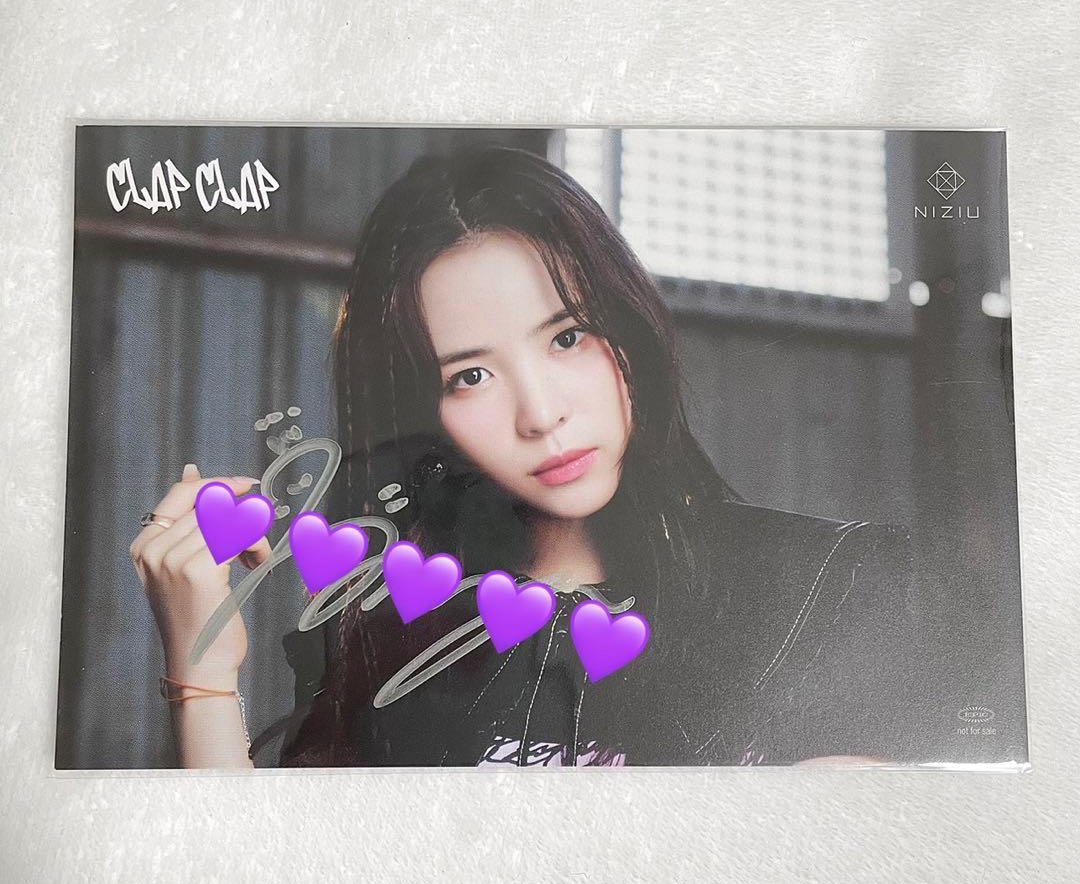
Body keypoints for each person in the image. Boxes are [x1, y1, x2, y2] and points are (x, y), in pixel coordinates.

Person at [132, 145, 933, 770]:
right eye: (470, 375)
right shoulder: (386, 639)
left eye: (568, 336)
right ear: (424, 414)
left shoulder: (821, 591)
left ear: (630, 332)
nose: (541, 413)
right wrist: (202, 671)